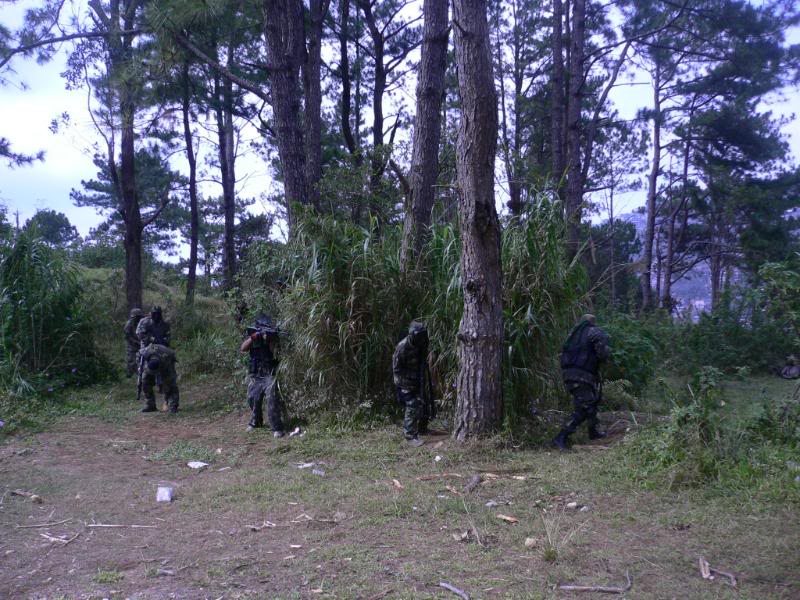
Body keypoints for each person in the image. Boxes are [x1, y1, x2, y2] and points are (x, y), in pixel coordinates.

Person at [552, 314, 610, 450]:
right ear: (592, 322)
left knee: (591, 401)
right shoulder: (594, 332)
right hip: (583, 374)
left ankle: (593, 432)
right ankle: (561, 436)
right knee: (586, 405)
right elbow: (603, 353)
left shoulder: (573, 334)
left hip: (569, 374)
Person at [240, 315, 284, 436]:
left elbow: (276, 353)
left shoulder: (273, 337)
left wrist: (269, 339)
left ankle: (276, 427)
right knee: (252, 398)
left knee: (272, 400)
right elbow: (243, 348)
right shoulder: (253, 335)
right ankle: (256, 421)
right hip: (255, 373)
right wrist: (254, 337)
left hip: (269, 373)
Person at [392, 321, 434, 447]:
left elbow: (422, 361)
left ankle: (422, 429)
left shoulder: (421, 343)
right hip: (404, 382)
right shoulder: (402, 347)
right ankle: (410, 436)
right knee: (412, 404)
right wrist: (409, 383)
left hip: (417, 379)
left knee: (425, 402)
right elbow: (396, 370)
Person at [139, 342, 180, 413]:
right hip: (153, 359)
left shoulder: (166, 359)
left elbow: (169, 381)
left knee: (170, 383)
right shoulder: (146, 352)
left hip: (167, 358)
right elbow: (140, 355)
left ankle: (173, 405)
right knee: (145, 380)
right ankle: (150, 405)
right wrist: (140, 368)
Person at [124, 307, 144, 378]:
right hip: (132, 345)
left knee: (141, 359)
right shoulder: (129, 324)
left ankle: (139, 373)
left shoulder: (142, 323)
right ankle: (129, 374)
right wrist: (134, 342)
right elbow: (127, 336)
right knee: (131, 359)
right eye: (136, 317)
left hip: (140, 343)